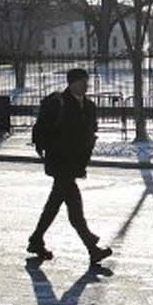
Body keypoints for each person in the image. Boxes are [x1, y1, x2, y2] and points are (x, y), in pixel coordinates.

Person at [27, 68, 111, 265]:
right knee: (75, 206)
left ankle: (36, 240)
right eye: (81, 81)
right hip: (59, 163)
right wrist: (57, 147)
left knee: (53, 205)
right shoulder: (58, 103)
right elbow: (42, 133)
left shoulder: (89, 105)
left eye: (86, 81)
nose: (85, 85)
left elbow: (90, 130)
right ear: (71, 83)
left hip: (74, 164)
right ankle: (91, 247)